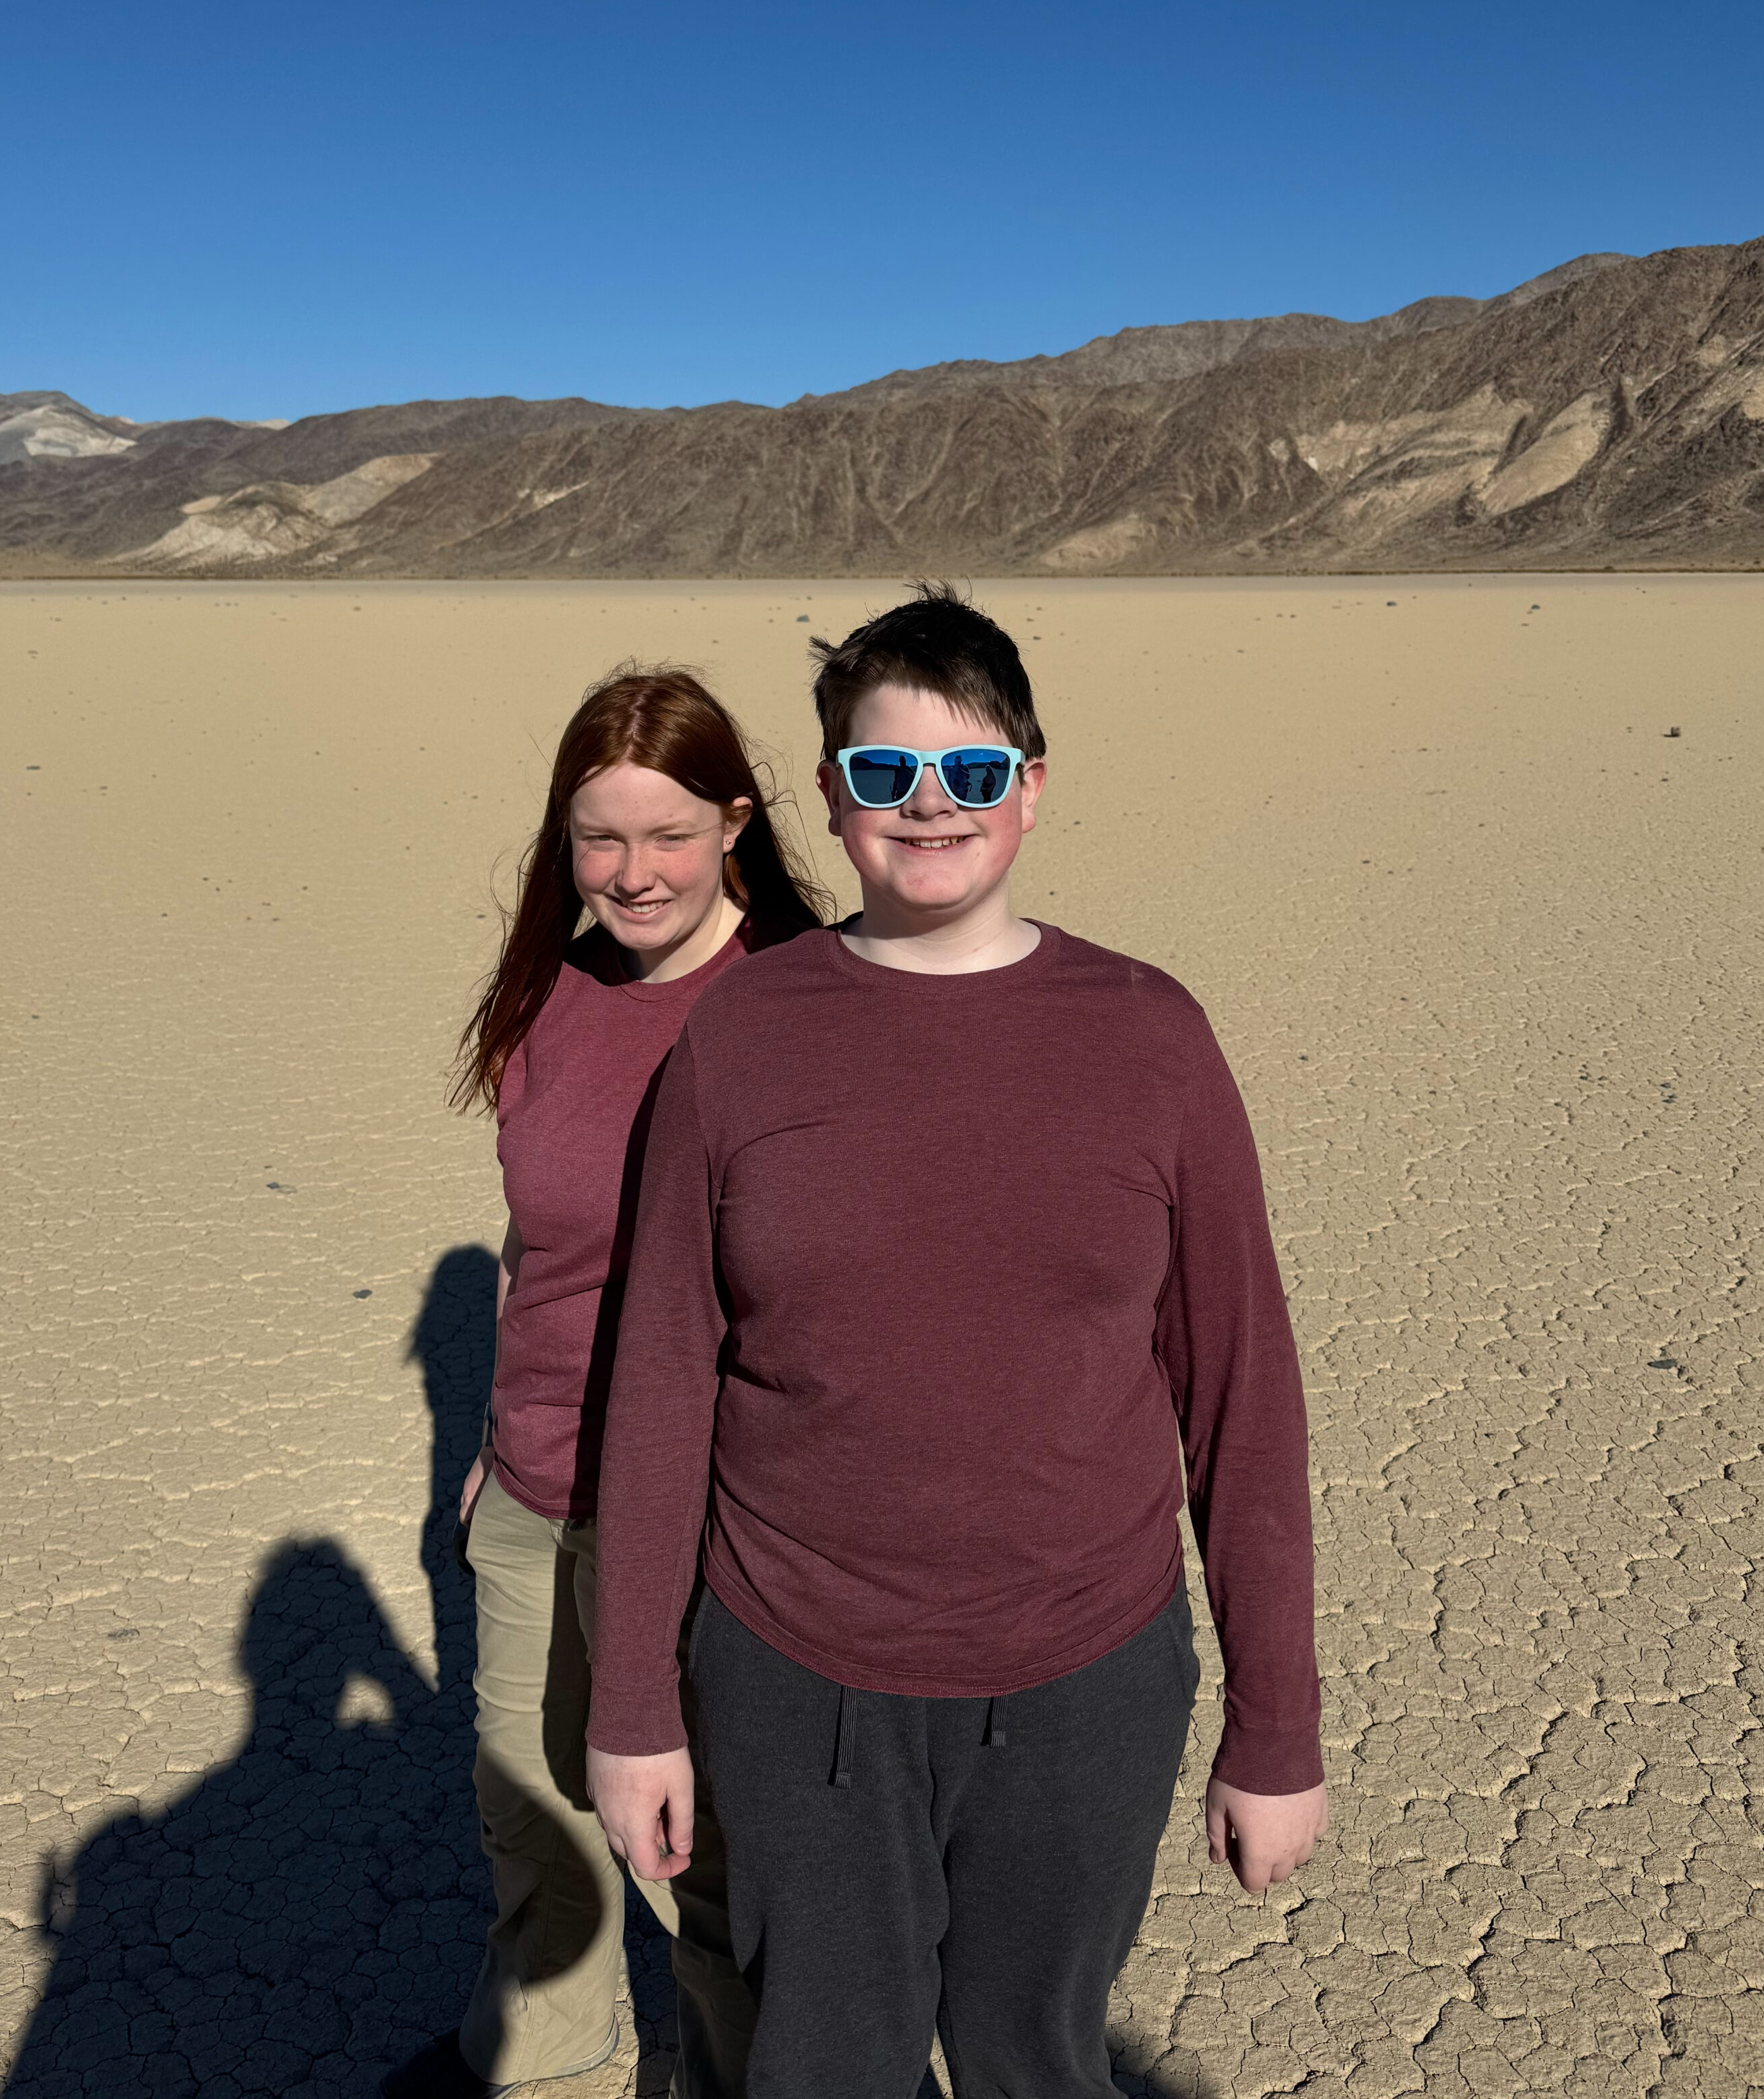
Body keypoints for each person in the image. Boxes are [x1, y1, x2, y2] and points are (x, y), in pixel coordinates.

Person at [583, 587, 1327, 2099]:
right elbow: (662, 1376)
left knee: (1035, 2059)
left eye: (973, 773)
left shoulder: (1150, 1034)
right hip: (795, 1676)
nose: (931, 809)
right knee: (820, 2065)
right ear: (828, 798)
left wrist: (1278, 1726)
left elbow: (1243, 1393)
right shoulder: (741, 1034)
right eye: (885, 775)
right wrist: (635, 1706)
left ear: (1033, 788)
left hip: (1084, 1678)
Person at [385, 667, 830, 2099]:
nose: (632, 872)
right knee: (538, 1827)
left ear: (737, 823)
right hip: (533, 1489)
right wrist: (493, 1434)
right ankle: (549, 2071)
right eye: (600, 836)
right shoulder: (550, 993)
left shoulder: (794, 1004)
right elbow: (537, 1235)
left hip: (701, 1517)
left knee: (701, 1862)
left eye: (669, 833)